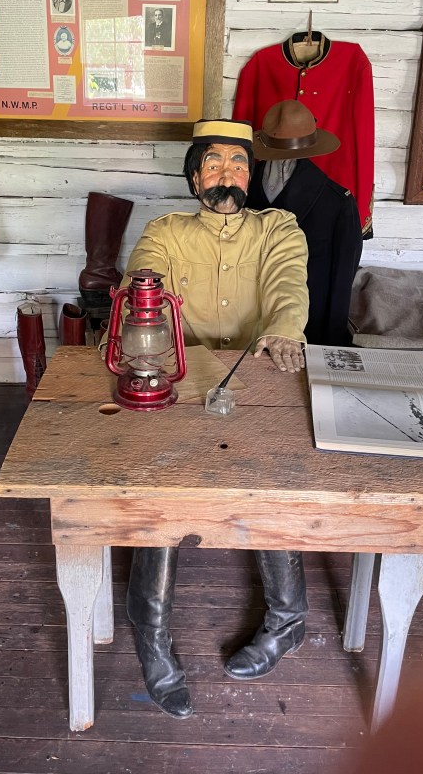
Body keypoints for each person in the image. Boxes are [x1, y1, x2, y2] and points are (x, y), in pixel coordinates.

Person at [120, 118, 309, 719]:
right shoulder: (167, 230)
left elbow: (287, 285)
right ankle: (152, 638)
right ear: (193, 175)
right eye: (213, 164)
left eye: (237, 165)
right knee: (160, 489)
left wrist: (282, 331)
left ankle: (288, 619)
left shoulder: (278, 227)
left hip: (261, 373)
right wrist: (141, 295)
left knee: (273, 483)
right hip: (183, 375)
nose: (226, 176)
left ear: (250, 176)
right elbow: (143, 271)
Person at [246, 100, 363, 345]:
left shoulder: (338, 204)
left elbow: (341, 281)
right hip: (246, 315)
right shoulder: (243, 187)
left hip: (308, 321)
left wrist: (329, 343)